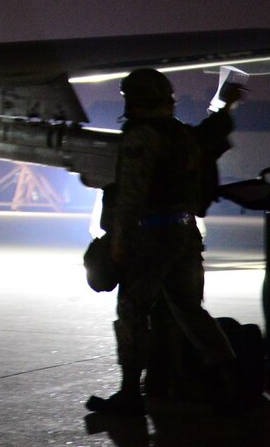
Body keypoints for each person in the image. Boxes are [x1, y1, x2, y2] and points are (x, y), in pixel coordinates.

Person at [86, 68, 245, 417]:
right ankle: (234, 383)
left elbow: (131, 194)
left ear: (133, 100)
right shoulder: (182, 135)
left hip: (149, 239)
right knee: (190, 311)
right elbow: (211, 135)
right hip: (185, 235)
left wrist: (119, 242)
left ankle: (129, 393)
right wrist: (227, 106)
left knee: (131, 312)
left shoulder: (141, 137)